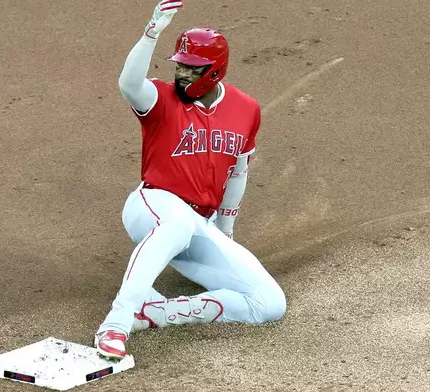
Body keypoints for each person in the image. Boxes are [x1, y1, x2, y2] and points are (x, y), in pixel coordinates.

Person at [94, 0, 287, 360]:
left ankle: (154, 314)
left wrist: (224, 232)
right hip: (153, 205)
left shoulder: (247, 110)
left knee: (269, 304)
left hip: (198, 222)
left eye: (192, 68)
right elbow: (128, 82)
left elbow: (238, 173)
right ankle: (116, 324)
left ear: (215, 72)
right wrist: (153, 30)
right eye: (180, 64)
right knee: (178, 222)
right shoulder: (161, 99)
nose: (182, 73)